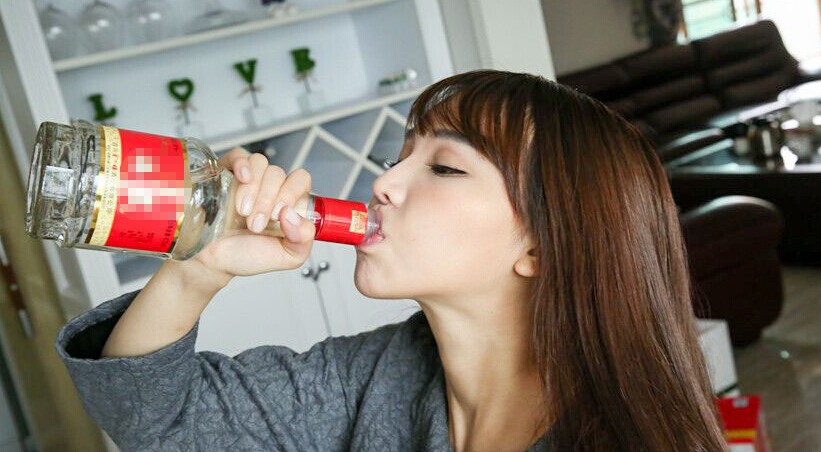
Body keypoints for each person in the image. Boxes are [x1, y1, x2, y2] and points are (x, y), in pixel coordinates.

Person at [56, 70, 727, 451]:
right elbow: (158, 422)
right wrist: (199, 265)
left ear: (540, 247)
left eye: (444, 166)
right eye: (400, 154)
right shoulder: (372, 377)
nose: (383, 182)